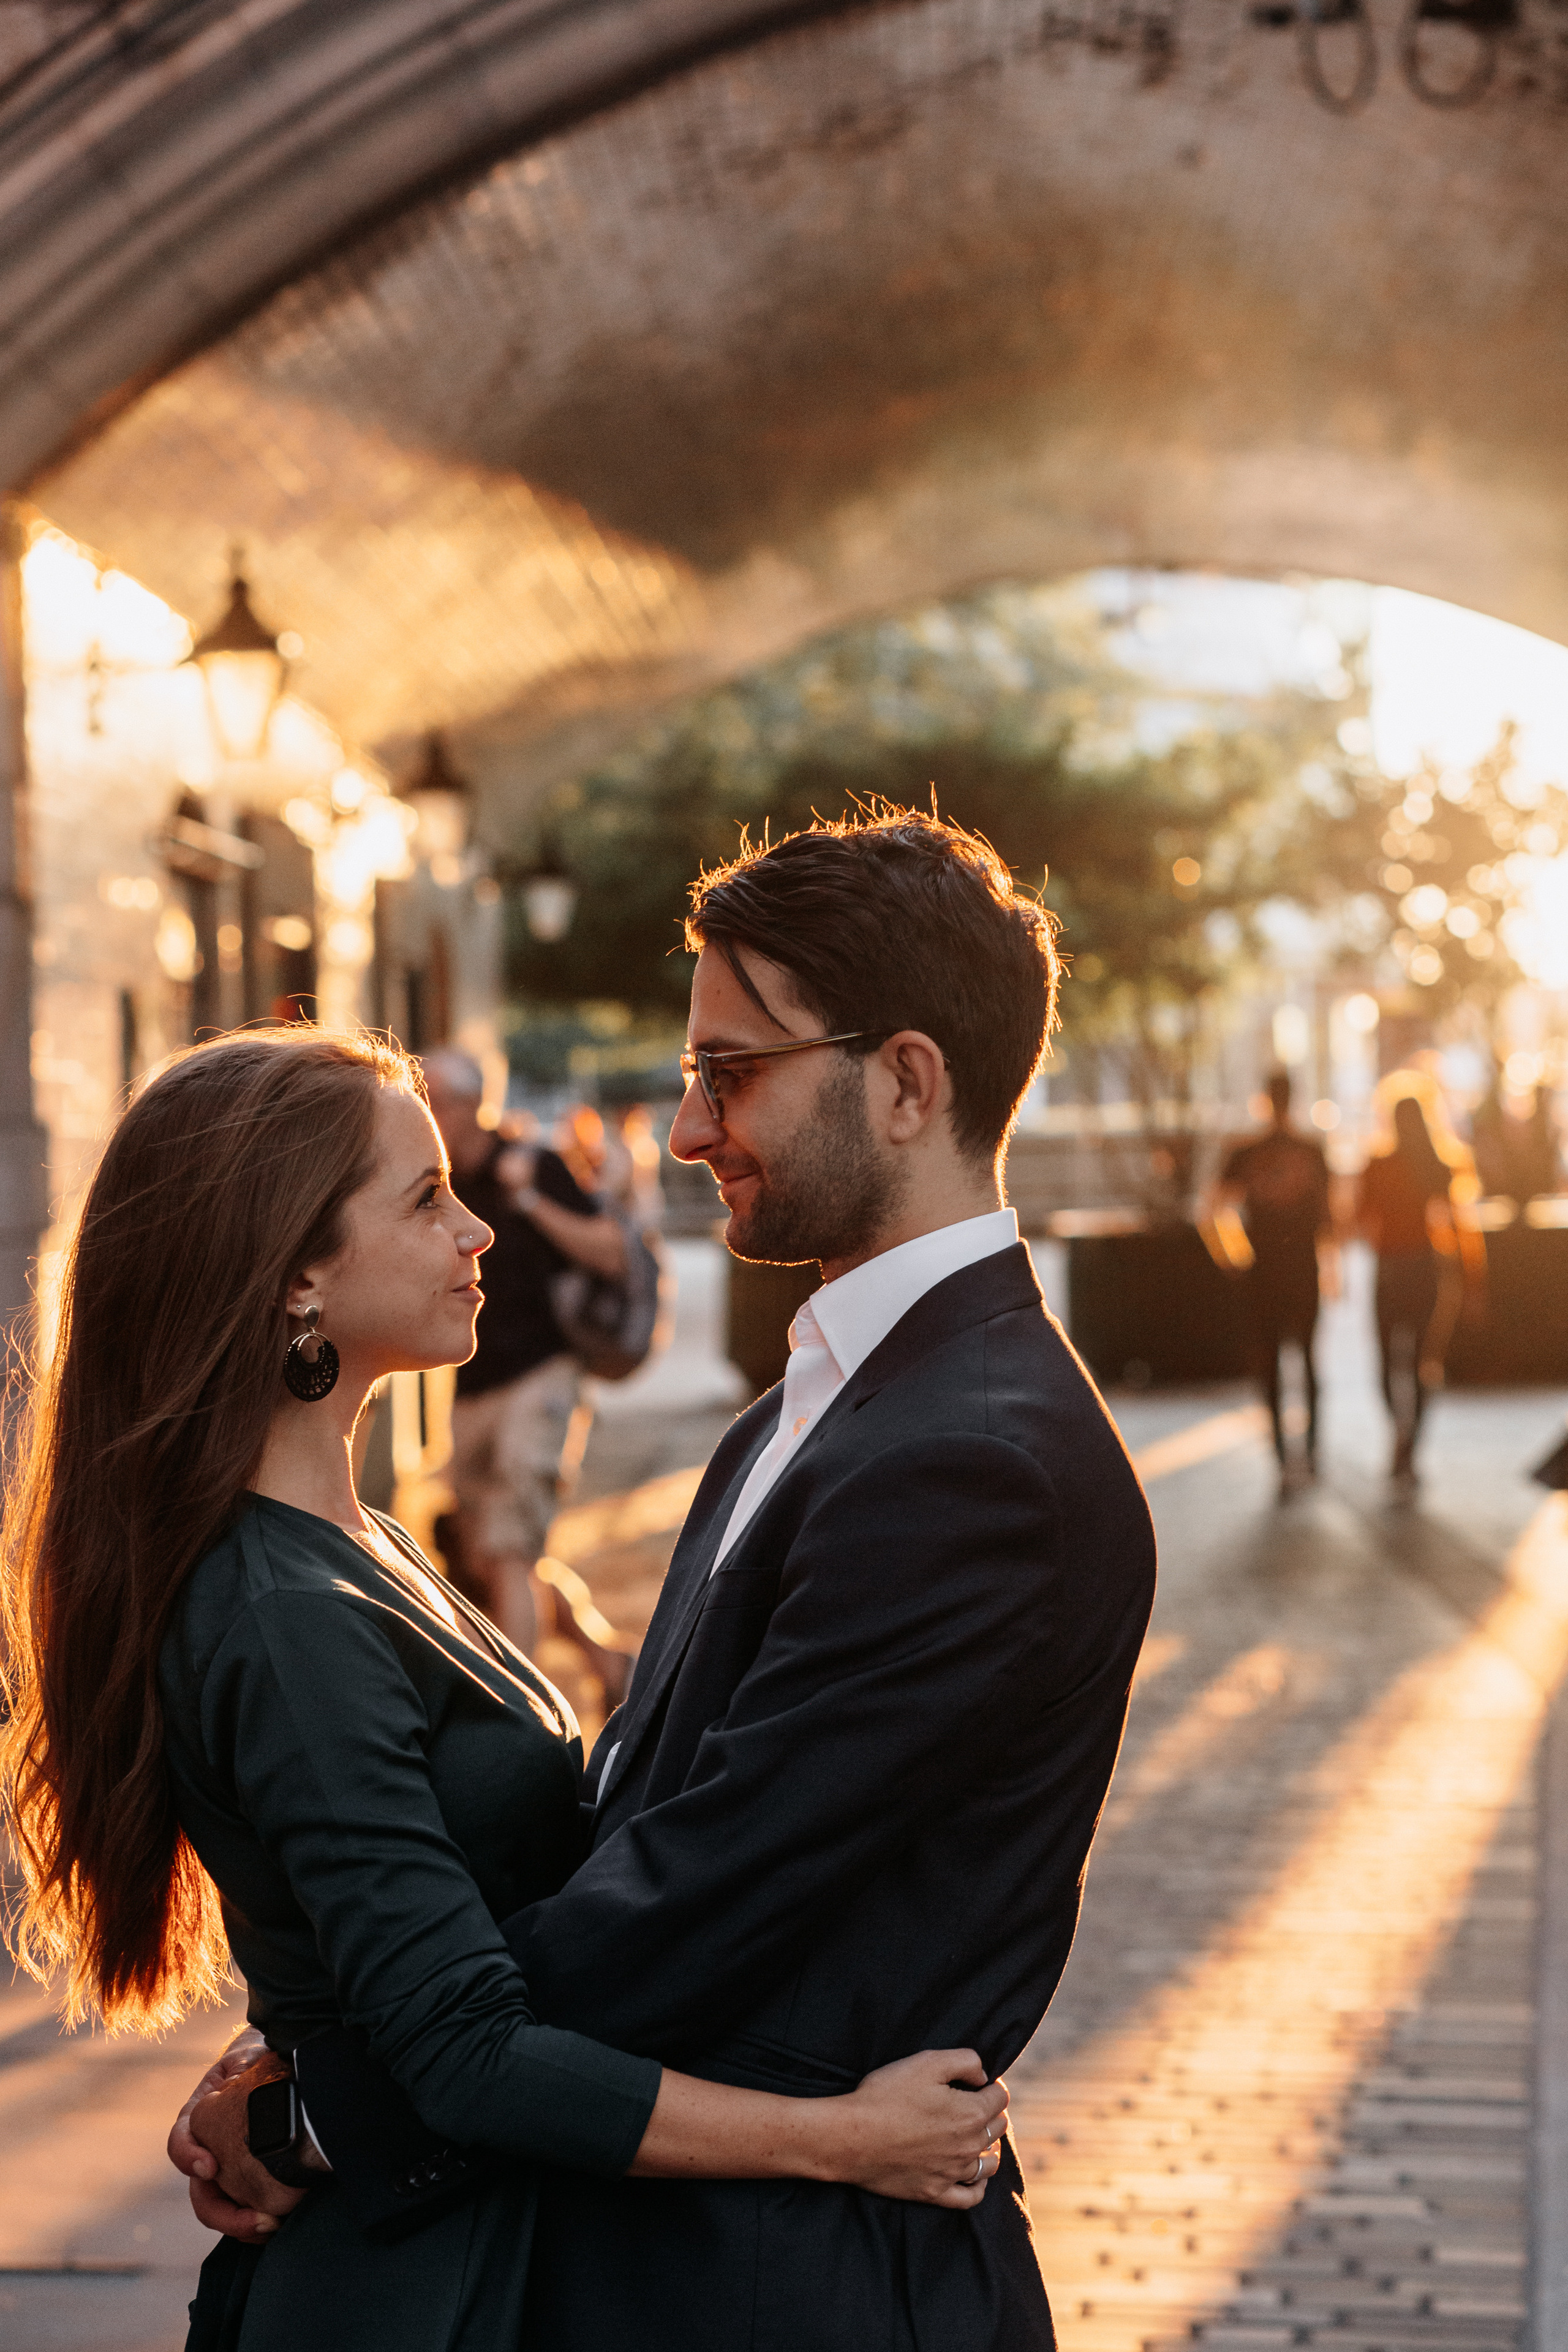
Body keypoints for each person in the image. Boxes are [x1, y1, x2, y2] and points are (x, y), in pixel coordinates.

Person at [175, 810, 1158, 2350]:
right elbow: (633, 1823)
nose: (689, 1129)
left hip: (796, 2285)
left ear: (905, 1083)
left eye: (731, 1071)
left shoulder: (978, 1458)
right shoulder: (810, 1407)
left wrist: (322, 2110)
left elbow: (694, 1896)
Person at [0, 1027, 1009, 2352]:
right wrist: (843, 2141)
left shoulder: (355, 1544)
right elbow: (469, 2056)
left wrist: (296, 2089)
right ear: (297, 1272)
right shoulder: (287, 1618)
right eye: (427, 1199)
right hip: (419, 2296)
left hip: (471, 2250)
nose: (478, 1230)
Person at [421, 1048, 631, 1697]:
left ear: (470, 1106)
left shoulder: (531, 1162)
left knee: (509, 1549)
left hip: (541, 1375)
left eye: (434, 1100)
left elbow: (612, 1253)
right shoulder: (435, 1184)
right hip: (470, 1386)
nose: (424, 1111)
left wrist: (531, 1199)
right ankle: (607, 1663)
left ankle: (517, 1713)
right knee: (488, 1558)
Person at [1212, 1068, 1336, 1493]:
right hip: (1302, 1270)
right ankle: (1310, 1454)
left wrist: (1233, 1256)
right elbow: (1329, 1218)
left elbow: (1214, 1210)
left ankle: (1285, 1458)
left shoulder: (1247, 1152)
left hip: (1263, 1272)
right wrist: (1332, 1270)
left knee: (1271, 1366)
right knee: (1307, 1362)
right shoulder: (1311, 1151)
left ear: (1265, 1099)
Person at [1356, 1080, 1482, 1488]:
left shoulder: (1383, 1166)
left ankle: (1402, 1437)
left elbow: (1359, 1220)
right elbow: (1461, 1228)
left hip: (1395, 1268)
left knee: (1393, 1362)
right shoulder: (1429, 1165)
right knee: (1420, 1364)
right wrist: (1472, 1280)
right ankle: (1408, 1443)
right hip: (1424, 1268)